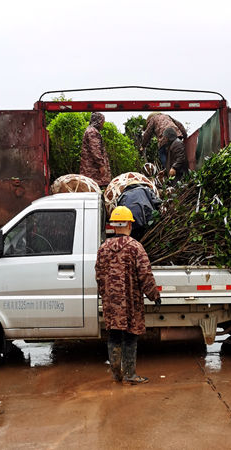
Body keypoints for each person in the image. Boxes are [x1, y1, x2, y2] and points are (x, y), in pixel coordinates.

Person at [95, 206, 161, 385]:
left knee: (114, 336)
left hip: (112, 302)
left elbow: (99, 276)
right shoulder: (135, 247)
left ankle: (117, 374)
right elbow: (145, 275)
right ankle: (130, 374)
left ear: (114, 226)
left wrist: (106, 295)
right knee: (131, 337)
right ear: (129, 225)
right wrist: (154, 295)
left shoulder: (103, 248)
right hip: (131, 302)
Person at [80, 112, 111, 187]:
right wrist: (101, 165)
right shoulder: (92, 132)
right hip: (93, 171)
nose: (103, 124)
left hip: (91, 171)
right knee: (95, 189)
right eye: (102, 121)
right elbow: (95, 150)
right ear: (99, 121)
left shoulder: (90, 130)